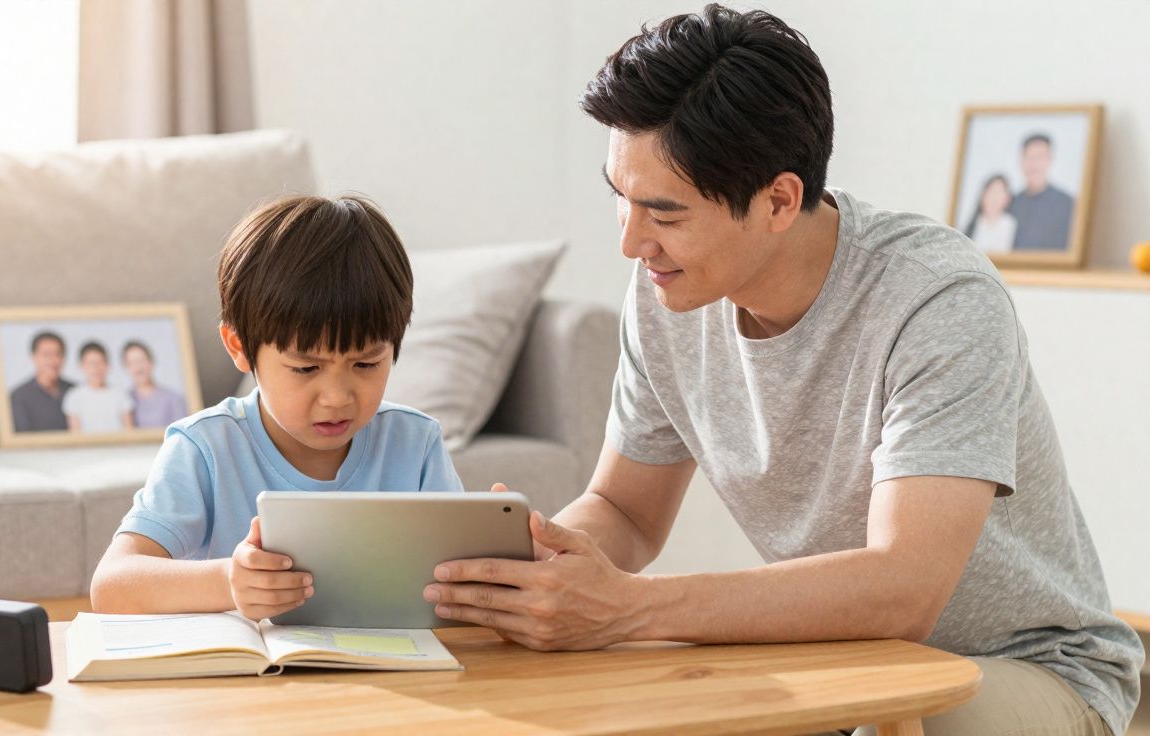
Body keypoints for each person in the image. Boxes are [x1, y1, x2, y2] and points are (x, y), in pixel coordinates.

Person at [422, 6, 1141, 735]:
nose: (632, 243)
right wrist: (548, 565)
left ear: (779, 200)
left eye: (665, 215)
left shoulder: (937, 300)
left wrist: (630, 607)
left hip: (1028, 664)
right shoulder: (667, 291)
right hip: (841, 655)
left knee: (887, 721)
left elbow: (904, 589)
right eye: (621, 199)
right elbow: (626, 511)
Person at [89, 195, 463, 621]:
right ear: (239, 347)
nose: (337, 397)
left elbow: (458, 590)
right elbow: (112, 584)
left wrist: (498, 565)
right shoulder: (205, 447)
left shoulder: (416, 444)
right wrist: (228, 581)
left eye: (366, 364)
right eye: (305, 368)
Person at [1008, 133, 1075, 251]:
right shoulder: (1011, 203)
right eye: (1030, 157)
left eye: (1039, 157)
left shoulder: (1068, 204)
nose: (1034, 164)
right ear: (1022, 161)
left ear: (1049, 160)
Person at [61, 341, 133, 434]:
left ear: (107, 365)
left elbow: (129, 431)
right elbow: (75, 433)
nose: (96, 368)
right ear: (81, 366)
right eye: (91, 363)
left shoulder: (120, 395)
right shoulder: (74, 396)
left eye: (100, 362)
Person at [9, 331, 73, 432]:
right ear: (34, 357)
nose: (53, 360)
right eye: (46, 354)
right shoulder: (18, 397)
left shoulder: (76, 391)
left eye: (58, 354)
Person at [122, 340, 188, 427]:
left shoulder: (173, 399)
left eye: (141, 361)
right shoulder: (124, 399)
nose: (138, 367)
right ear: (126, 368)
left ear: (151, 363)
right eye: (132, 363)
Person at [964, 174, 1017, 252]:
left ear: (1007, 199)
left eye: (999, 192)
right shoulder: (973, 224)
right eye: (991, 191)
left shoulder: (1009, 224)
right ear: (983, 195)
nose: (994, 198)